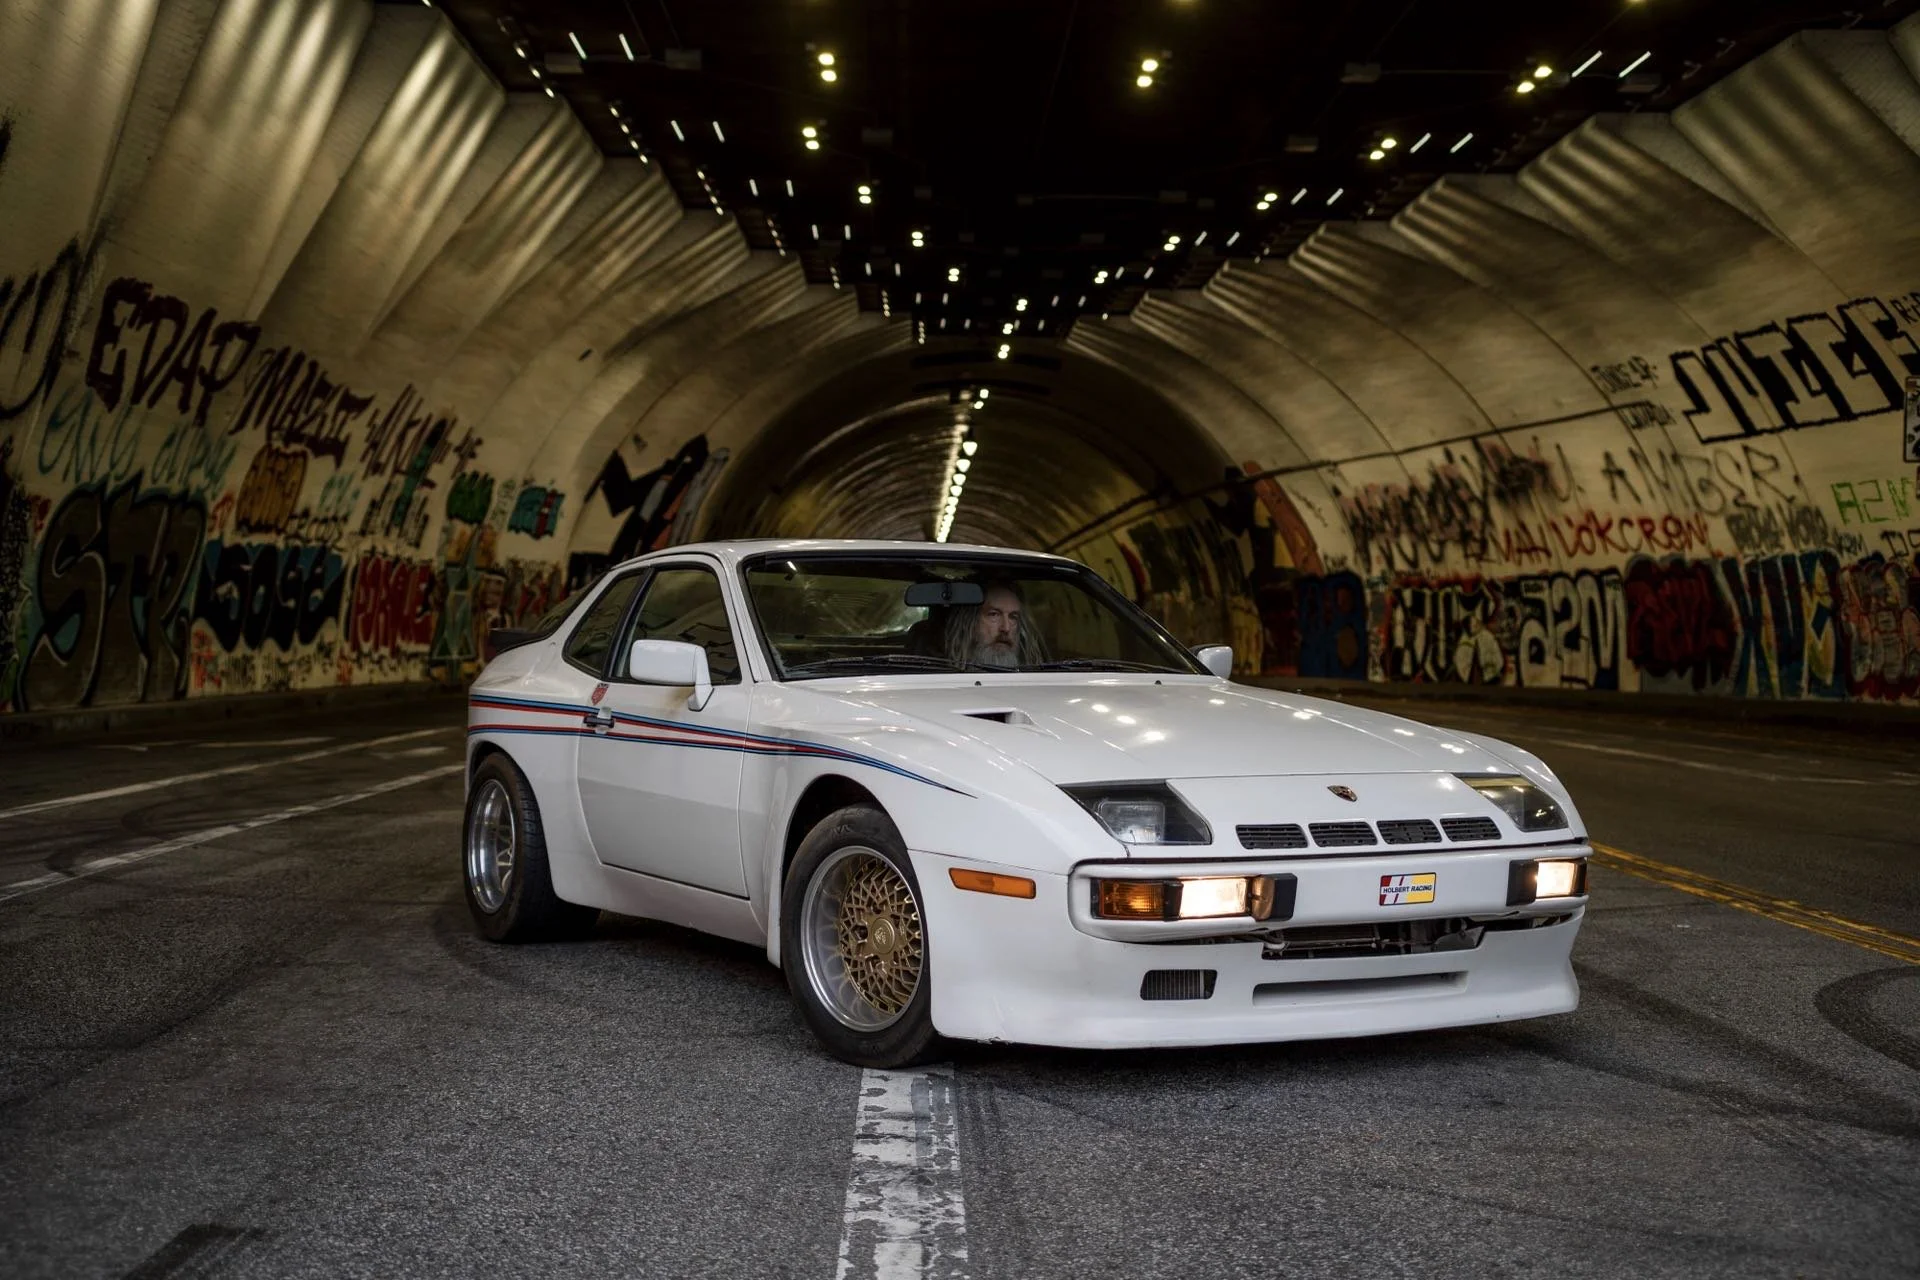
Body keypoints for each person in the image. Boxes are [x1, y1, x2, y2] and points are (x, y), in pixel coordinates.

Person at [942, 579, 1046, 668]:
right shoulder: (936, 675)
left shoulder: (1036, 678)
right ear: (968, 622)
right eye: (994, 615)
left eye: (1013, 617)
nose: (1006, 628)